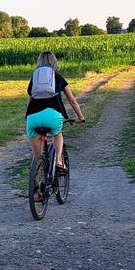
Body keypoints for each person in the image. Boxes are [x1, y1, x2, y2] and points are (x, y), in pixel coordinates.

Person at [25, 51, 84, 181]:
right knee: (58, 133)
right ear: (54, 62)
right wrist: (80, 117)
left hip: (33, 117)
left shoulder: (33, 80)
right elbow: (73, 101)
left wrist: (28, 118)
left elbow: (28, 103)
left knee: (37, 157)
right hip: (53, 116)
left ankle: (35, 191)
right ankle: (58, 160)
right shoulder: (59, 78)